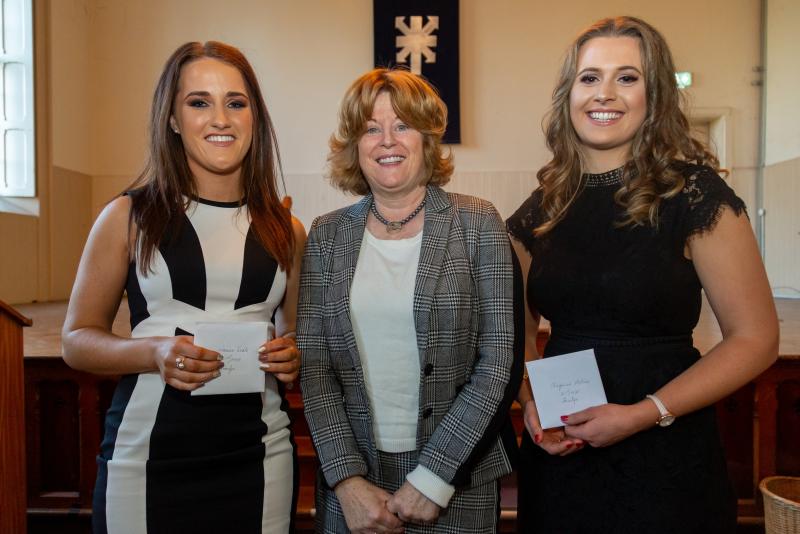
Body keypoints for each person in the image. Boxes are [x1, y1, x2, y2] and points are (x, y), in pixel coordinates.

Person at [507, 16, 779, 533]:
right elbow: (515, 332)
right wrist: (528, 400)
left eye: (627, 77)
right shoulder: (542, 207)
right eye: (589, 78)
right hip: (564, 454)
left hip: (665, 451)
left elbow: (757, 338)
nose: (604, 93)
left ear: (653, 97)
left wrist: (641, 413)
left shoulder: (694, 195)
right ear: (568, 93)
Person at [62, 41, 306, 533]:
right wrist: (153, 352)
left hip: (260, 457)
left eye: (236, 103)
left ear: (254, 117)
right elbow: (77, 340)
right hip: (146, 457)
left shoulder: (288, 229)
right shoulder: (129, 217)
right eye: (199, 102)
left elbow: (294, 336)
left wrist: (293, 354)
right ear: (172, 119)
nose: (220, 118)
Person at [298, 68, 522, 534]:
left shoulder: (478, 223)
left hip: (457, 478)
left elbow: (498, 362)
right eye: (370, 128)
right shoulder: (325, 235)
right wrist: (346, 480)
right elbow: (315, 367)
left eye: (402, 125)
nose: (387, 140)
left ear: (426, 140)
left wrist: (434, 477)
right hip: (352, 484)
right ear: (353, 145)